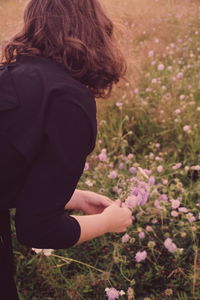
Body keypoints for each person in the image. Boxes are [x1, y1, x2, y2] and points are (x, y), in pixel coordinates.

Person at [0, 0, 132, 299]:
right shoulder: (67, 100)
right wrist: (106, 223)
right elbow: (37, 230)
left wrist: (73, 196)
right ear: (96, 29)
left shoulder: (5, 75)